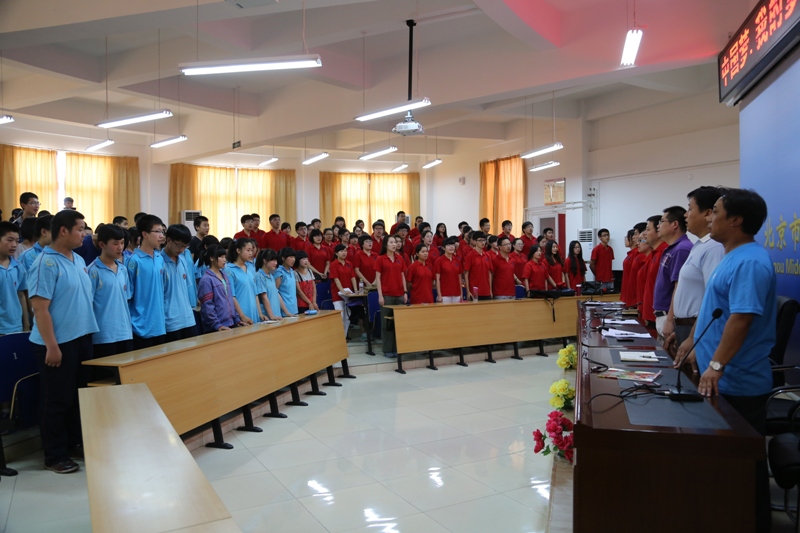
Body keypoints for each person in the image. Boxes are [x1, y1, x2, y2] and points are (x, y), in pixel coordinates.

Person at [680, 188, 774, 532]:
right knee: (723, 467)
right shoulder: (730, 255)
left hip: (737, 382)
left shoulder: (750, 261)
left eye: (715, 211)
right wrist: (693, 342)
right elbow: (715, 309)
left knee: (743, 469)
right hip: (720, 379)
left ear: (735, 220)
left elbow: (742, 318)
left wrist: (716, 366)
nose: (709, 217)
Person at [27, 209, 98, 474]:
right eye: (80, 229)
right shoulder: (45, 263)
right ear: (64, 231)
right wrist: (52, 346)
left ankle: (74, 444)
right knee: (56, 400)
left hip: (81, 337)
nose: (84, 234)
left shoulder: (77, 259)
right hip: (57, 343)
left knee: (78, 397)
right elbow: (40, 309)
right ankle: (54, 455)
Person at [664, 186, 724, 356]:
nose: (685, 215)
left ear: (708, 213)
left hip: (698, 328)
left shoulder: (714, 248)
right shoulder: (699, 245)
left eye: (690, 209)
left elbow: (713, 298)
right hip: (686, 327)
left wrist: (693, 337)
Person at [87, 224, 133, 358]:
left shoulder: (123, 269)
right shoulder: (92, 271)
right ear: (102, 244)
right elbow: (88, 305)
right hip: (103, 336)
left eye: (122, 243)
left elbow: (126, 300)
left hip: (125, 333)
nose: (120, 247)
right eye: (115, 243)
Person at [127, 215, 167, 349]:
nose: (161, 236)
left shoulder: (160, 258)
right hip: (140, 327)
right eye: (158, 231)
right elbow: (128, 295)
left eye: (163, 232)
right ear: (145, 234)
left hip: (159, 325)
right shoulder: (134, 261)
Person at [652, 206, 692, 338]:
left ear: (674, 224)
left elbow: (678, 287)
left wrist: (670, 320)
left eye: (661, 221)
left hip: (669, 317)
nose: (658, 226)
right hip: (662, 315)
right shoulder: (673, 248)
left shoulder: (682, 249)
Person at [162, 225, 198, 342]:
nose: (182, 249)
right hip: (170, 321)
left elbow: (186, 288)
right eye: (179, 245)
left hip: (188, 319)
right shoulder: (159, 262)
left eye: (185, 246)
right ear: (168, 240)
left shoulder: (182, 260)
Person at [375, 235, 407, 358]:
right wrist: (380, 295)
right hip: (387, 295)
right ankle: (388, 349)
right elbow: (378, 278)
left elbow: (402, 275)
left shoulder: (400, 258)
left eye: (396, 242)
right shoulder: (380, 259)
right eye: (392, 242)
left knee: (399, 324)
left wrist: (405, 292)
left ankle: (399, 348)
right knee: (387, 324)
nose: (395, 244)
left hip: (399, 295)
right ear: (385, 245)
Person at [198, 244, 241, 332]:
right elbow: (207, 306)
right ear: (212, 258)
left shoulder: (224, 275)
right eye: (221, 257)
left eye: (225, 257)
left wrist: (237, 319)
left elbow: (230, 300)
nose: (225, 260)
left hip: (230, 324)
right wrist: (216, 325)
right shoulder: (206, 279)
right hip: (216, 327)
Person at [0, 222, 29, 333]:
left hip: (16, 326)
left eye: (17, 241)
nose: (14, 245)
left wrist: (26, 325)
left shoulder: (18, 267)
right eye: (10, 240)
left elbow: (21, 296)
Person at [224, 238, 261, 325]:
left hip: (254, 313)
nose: (251, 253)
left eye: (251, 250)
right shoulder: (229, 270)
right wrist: (242, 315)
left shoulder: (249, 269)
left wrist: (260, 313)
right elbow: (231, 296)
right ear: (238, 250)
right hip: (241, 316)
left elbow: (255, 294)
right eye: (248, 250)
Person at [641, 215, 667, 326]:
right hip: (650, 314)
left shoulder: (665, 252)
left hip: (659, 315)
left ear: (658, 231)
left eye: (648, 229)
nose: (644, 234)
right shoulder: (654, 253)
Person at [330, 244, 360, 335]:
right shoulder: (333, 264)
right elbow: (336, 279)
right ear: (336, 253)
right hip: (337, 294)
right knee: (340, 316)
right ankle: (339, 337)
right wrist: (342, 291)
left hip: (349, 294)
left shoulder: (349, 263)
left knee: (347, 316)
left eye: (345, 251)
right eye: (341, 251)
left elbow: (353, 277)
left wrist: (355, 290)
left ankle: (345, 336)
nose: (344, 253)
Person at [255, 248, 290, 321]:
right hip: (268, 318)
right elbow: (264, 297)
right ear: (265, 261)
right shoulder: (259, 276)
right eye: (273, 260)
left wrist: (287, 312)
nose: (276, 263)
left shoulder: (271, 276)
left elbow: (277, 294)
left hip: (277, 315)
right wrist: (271, 316)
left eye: (276, 260)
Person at [464, 231, 493, 300]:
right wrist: (468, 291)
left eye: (484, 240)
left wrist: (490, 290)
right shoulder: (470, 256)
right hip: (474, 292)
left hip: (486, 291)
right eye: (480, 240)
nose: (482, 242)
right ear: (474, 241)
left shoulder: (487, 255)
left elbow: (489, 273)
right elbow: (466, 274)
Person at [434, 237, 463, 303]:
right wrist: (439, 295)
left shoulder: (457, 260)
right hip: (444, 295)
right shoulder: (439, 261)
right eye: (449, 245)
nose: (451, 247)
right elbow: (437, 279)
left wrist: (461, 293)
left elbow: (459, 278)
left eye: (452, 245)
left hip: (457, 294)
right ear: (443, 248)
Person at [275, 247, 299, 316]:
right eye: (290, 257)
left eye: (294, 257)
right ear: (283, 258)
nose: (293, 259)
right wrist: (285, 311)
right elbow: (275, 291)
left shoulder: (291, 270)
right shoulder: (279, 271)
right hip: (284, 311)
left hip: (294, 308)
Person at [619, 229, 638, 306]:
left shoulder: (636, 253)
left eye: (627, 237)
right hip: (627, 289)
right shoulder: (630, 254)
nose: (625, 239)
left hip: (632, 292)